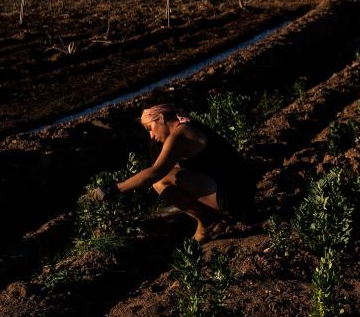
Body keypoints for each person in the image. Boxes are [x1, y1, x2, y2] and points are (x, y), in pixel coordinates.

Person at [91, 103, 252, 241]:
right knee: (172, 173)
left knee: (159, 181)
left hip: (234, 197)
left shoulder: (180, 135)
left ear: (161, 118)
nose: (152, 135)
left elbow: (156, 172)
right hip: (243, 191)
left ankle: (207, 219)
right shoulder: (188, 125)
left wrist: (114, 189)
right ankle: (209, 219)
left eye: (150, 128)